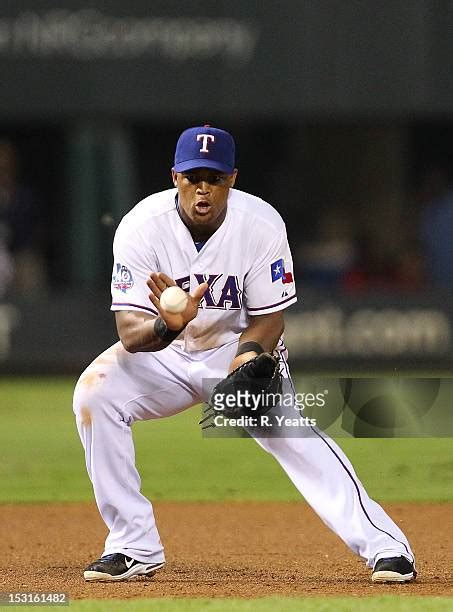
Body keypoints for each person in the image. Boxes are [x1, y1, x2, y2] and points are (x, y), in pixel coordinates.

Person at [73, 125, 416, 584]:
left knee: (296, 438)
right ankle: (133, 545)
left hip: (232, 349)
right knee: (95, 396)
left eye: (213, 178)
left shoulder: (260, 225)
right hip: (163, 354)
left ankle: (387, 547)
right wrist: (166, 325)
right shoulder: (140, 227)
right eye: (193, 176)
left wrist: (246, 359)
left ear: (232, 179)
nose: (203, 188)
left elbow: (270, 317)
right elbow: (130, 334)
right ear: (174, 176)